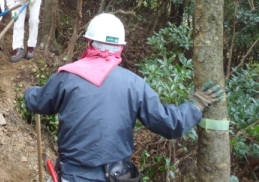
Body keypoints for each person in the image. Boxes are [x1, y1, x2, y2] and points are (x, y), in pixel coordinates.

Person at [24, 13, 224, 182]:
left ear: (89, 42)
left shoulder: (67, 76)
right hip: (118, 175)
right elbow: (170, 124)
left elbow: (38, 102)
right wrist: (196, 105)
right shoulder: (134, 84)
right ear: (121, 48)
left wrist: (29, 91)